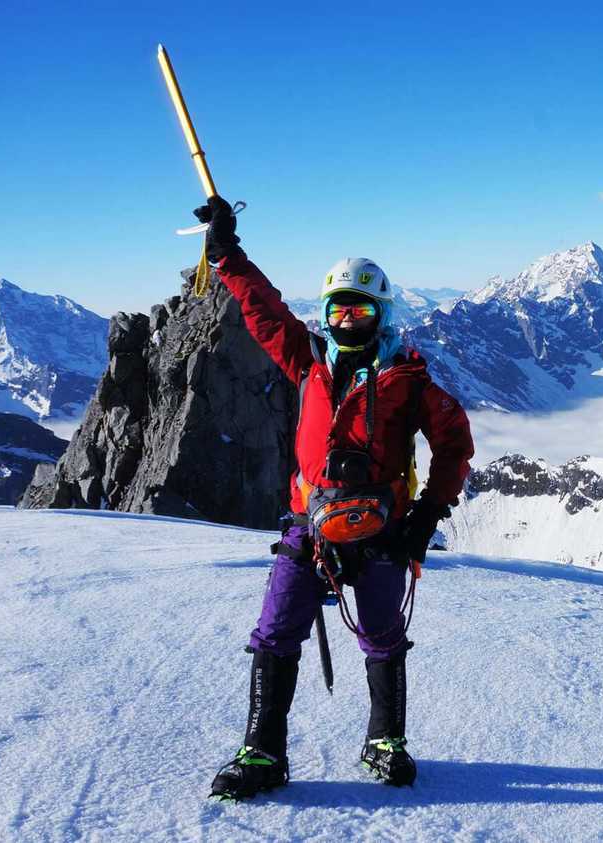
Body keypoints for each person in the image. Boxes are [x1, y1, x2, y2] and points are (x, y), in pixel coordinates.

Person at [194, 196, 475, 800]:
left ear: (381, 313)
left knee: (382, 636)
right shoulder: (308, 361)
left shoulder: (408, 380)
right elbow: (264, 313)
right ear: (325, 313)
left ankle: (385, 741)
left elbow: (454, 443)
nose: (348, 320)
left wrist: (427, 515)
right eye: (338, 309)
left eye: (360, 309)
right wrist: (227, 256)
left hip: (382, 530)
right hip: (311, 525)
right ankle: (262, 752)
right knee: (275, 633)